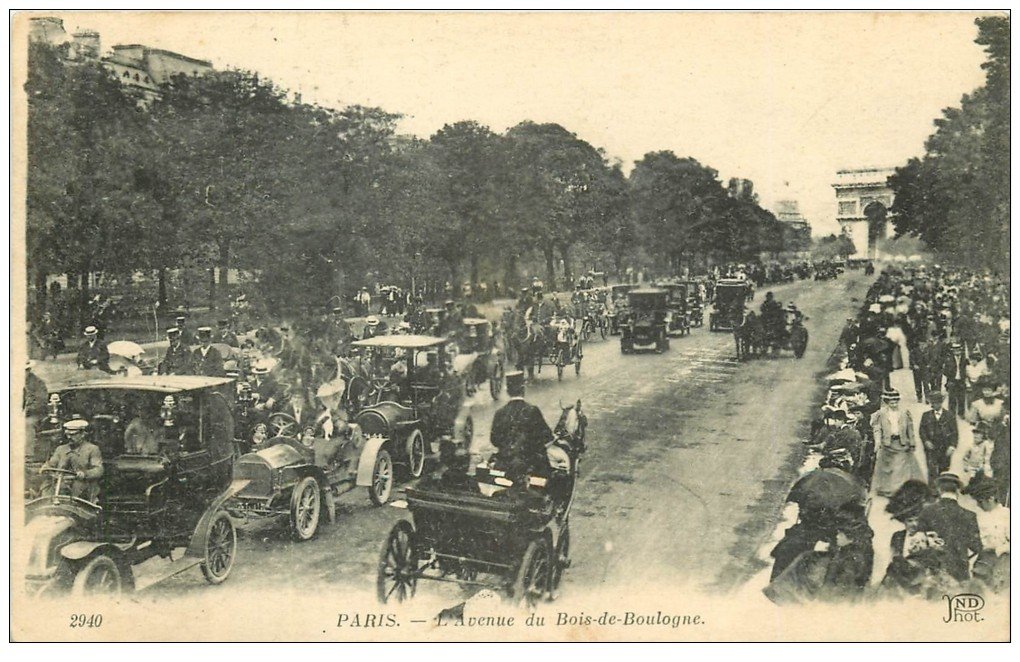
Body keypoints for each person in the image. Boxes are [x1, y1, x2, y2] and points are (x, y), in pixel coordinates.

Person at [915, 472, 983, 582]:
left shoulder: (927, 511)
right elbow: (976, 547)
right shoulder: (969, 515)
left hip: (932, 570)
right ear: (957, 491)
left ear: (939, 490)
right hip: (959, 571)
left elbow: (918, 542)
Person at [489, 371, 553, 480]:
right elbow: (547, 436)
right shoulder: (532, 410)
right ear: (523, 389)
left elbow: (494, 439)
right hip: (530, 466)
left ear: (508, 391)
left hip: (505, 464)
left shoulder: (500, 412)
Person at [870, 388, 924, 497]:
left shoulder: (904, 413)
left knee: (901, 467)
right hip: (887, 443)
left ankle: (899, 490)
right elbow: (877, 429)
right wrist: (878, 442)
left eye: (896, 402)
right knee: (887, 468)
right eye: (891, 402)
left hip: (901, 442)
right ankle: (887, 489)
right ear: (887, 402)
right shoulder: (880, 414)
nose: (894, 404)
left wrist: (912, 442)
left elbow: (910, 429)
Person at [42, 418, 104, 502]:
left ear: (82, 434)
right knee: (46, 487)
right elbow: (52, 463)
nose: (69, 437)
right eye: (67, 434)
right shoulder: (61, 449)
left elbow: (98, 469)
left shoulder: (92, 449)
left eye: (73, 434)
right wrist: (46, 467)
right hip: (60, 483)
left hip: (81, 484)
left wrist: (85, 474)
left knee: (79, 488)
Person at [966, 478, 1009, 592]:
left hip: (1003, 562)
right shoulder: (976, 516)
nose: (978, 505)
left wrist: (997, 549)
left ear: (990, 499)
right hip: (981, 562)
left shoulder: (1007, 515)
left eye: (980, 501)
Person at [918, 391, 958, 485]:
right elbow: (922, 430)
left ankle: (942, 489)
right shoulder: (926, 415)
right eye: (933, 403)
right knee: (931, 469)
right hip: (931, 447)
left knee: (944, 468)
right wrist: (926, 441)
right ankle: (932, 491)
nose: (935, 405)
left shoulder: (949, 415)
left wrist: (952, 446)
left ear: (941, 403)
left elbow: (954, 433)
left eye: (937, 402)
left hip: (945, 446)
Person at [942, 342, 969, 417]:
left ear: (960, 350)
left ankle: (961, 414)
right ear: (953, 351)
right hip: (952, 381)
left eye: (958, 350)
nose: (957, 352)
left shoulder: (964, 359)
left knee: (961, 398)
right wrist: (950, 377)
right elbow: (945, 371)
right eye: (955, 350)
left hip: (961, 381)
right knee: (952, 398)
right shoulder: (949, 359)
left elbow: (967, 369)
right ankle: (951, 414)